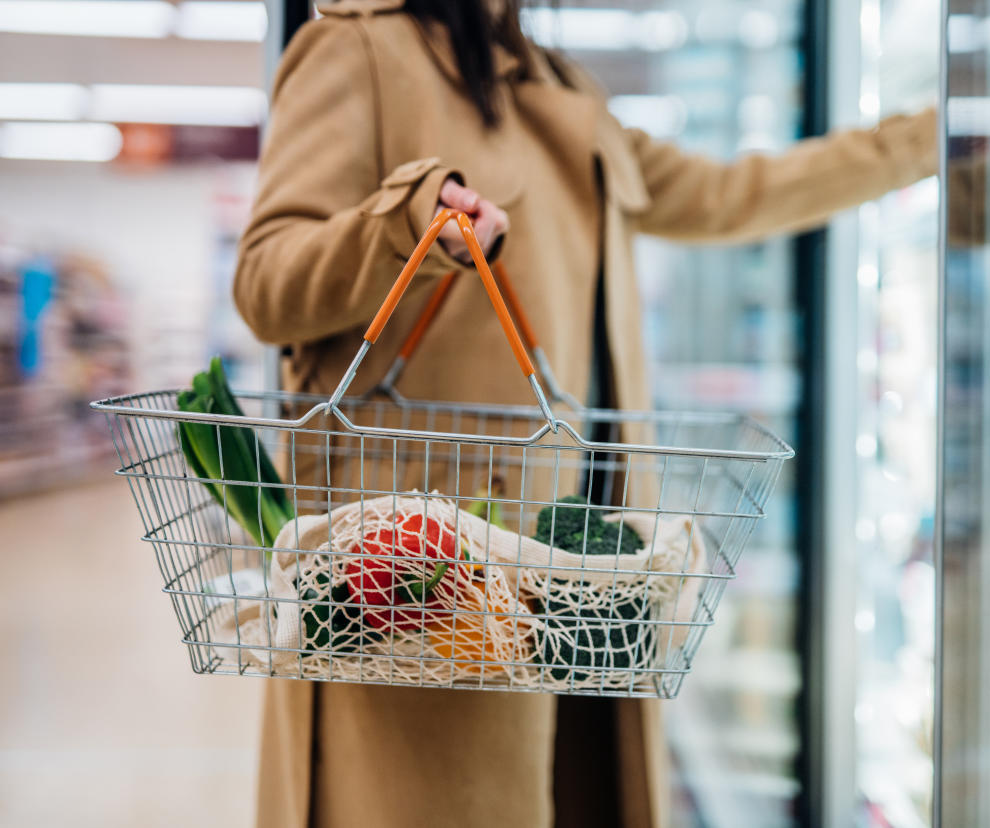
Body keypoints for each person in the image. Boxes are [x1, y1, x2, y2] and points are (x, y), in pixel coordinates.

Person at [233, 0, 937, 825]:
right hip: (423, 584)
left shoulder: (554, 79)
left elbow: (725, 196)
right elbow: (266, 284)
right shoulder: (354, 51)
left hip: (582, 571)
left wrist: (929, 138)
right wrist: (404, 223)